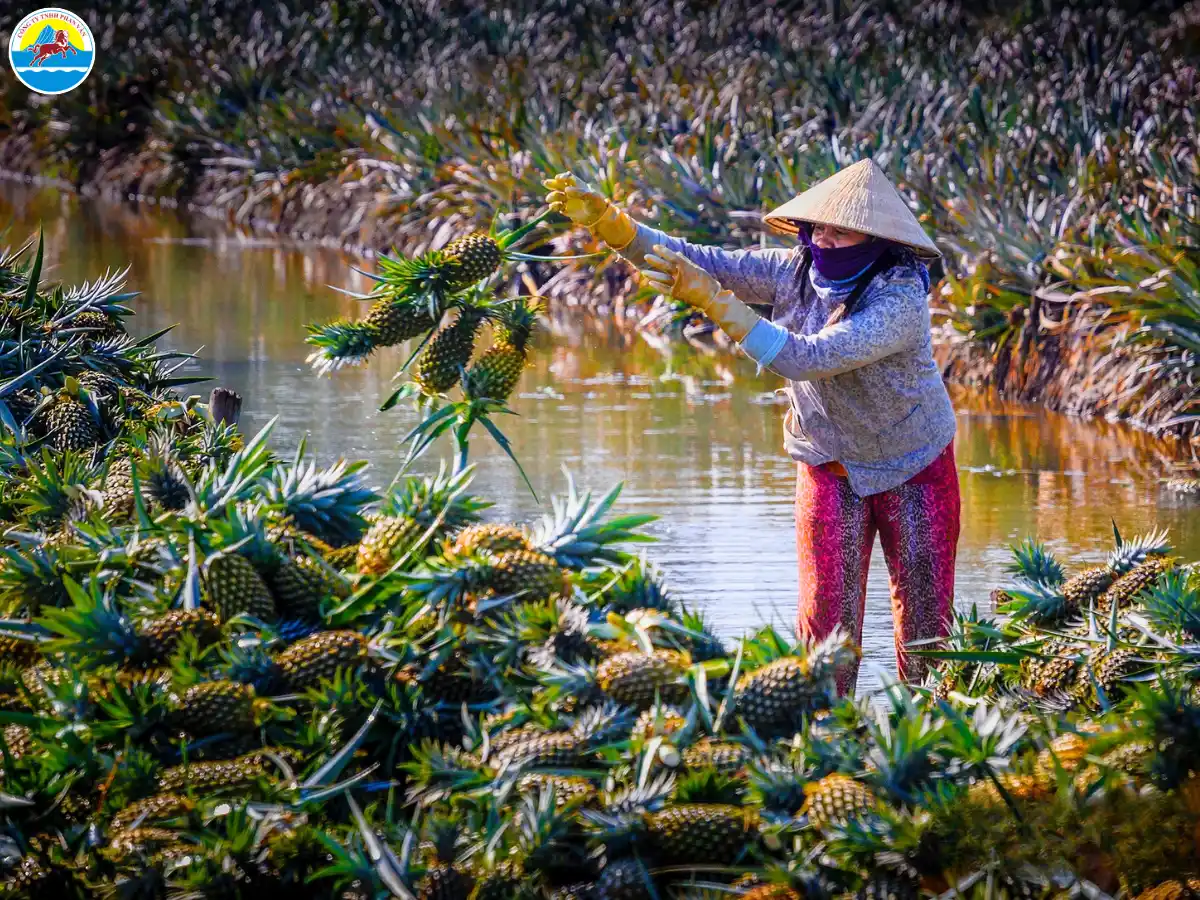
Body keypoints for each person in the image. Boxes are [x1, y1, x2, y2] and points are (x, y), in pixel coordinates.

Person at [544, 159, 959, 693]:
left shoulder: (898, 297)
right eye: (818, 228)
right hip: (828, 462)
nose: (825, 241)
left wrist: (718, 306)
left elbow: (808, 358)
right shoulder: (793, 271)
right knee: (825, 628)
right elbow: (698, 261)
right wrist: (616, 227)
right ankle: (827, 741)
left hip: (913, 464)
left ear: (876, 239)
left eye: (841, 230)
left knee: (928, 630)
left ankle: (933, 733)